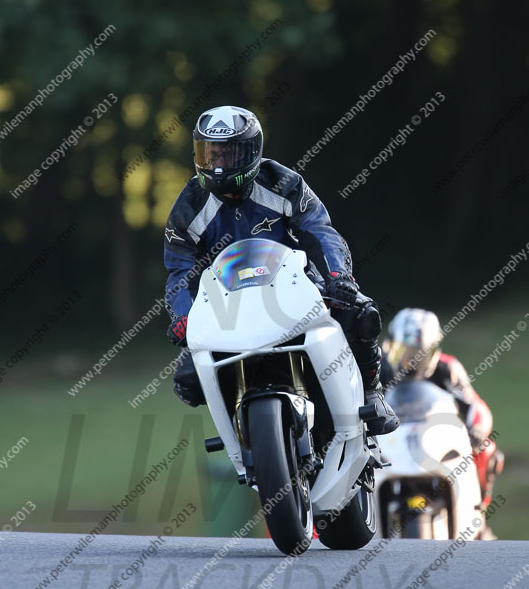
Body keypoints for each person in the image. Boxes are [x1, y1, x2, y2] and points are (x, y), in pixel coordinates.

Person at [164, 105, 399, 435]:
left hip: (295, 288)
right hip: (226, 306)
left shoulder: (283, 183)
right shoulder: (188, 206)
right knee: (188, 380)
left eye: (228, 155)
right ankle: (240, 436)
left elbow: (318, 229)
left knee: (360, 312)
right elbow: (180, 268)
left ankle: (372, 393)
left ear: (252, 151)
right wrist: (183, 317)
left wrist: (337, 277)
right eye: (210, 154)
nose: (217, 166)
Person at [384, 308, 504, 510]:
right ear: (390, 345)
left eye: (420, 353)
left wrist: (477, 430)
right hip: (389, 440)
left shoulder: (448, 368)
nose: (412, 360)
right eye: (403, 350)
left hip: (436, 439)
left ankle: (478, 510)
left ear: (433, 350)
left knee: (486, 449)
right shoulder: (377, 368)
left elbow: (475, 405)